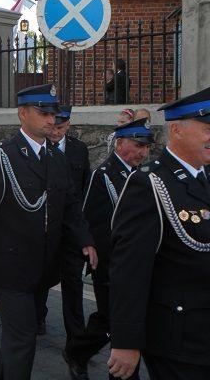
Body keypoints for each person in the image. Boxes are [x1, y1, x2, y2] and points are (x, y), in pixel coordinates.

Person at [0, 84, 97, 380]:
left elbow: (69, 205)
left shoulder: (56, 157)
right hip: (9, 268)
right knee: (23, 337)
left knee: (20, 339)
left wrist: (85, 239)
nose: (51, 119)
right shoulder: (2, 156)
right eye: (43, 112)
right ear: (23, 113)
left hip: (42, 267)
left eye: (53, 113)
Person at [107, 87, 210, 380]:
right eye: (207, 129)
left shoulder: (205, 178)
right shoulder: (150, 184)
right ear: (176, 130)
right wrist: (126, 342)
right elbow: (129, 269)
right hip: (179, 338)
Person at [63, 118, 154, 380]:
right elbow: (89, 219)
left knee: (109, 320)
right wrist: (100, 261)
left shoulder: (140, 175)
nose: (143, 152)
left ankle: (76, 352)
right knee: (117, 322)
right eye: (138, 145)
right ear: (120, 143)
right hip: (110, 265)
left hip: (132, 265)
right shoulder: (104, 176)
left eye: (146, 147)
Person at [37, 105, 91, 342]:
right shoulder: (39, 149)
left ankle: (76, 341)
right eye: (53, 127)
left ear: (68, 125)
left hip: (71, 231)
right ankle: (37, 318)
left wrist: (85, 235)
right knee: (40, 280)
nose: (55, 132)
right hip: (46, 230)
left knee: (73, 284)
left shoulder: (79, 150)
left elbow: (84, 190)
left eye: (60, 127)